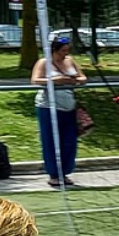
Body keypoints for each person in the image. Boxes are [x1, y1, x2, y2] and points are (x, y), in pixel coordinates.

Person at [33, 33, 86, 187]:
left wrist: (75, 80)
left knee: (69, 141)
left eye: (67, 50)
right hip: (49, 107)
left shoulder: (70, 61)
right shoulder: (44, 62)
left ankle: (66, 172)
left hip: (69, 107)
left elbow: (83, 77)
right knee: (51, 140)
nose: (66, 54)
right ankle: (54, 174)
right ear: (54, 50)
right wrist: (55, 80)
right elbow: (35, 80)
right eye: (63, 50)